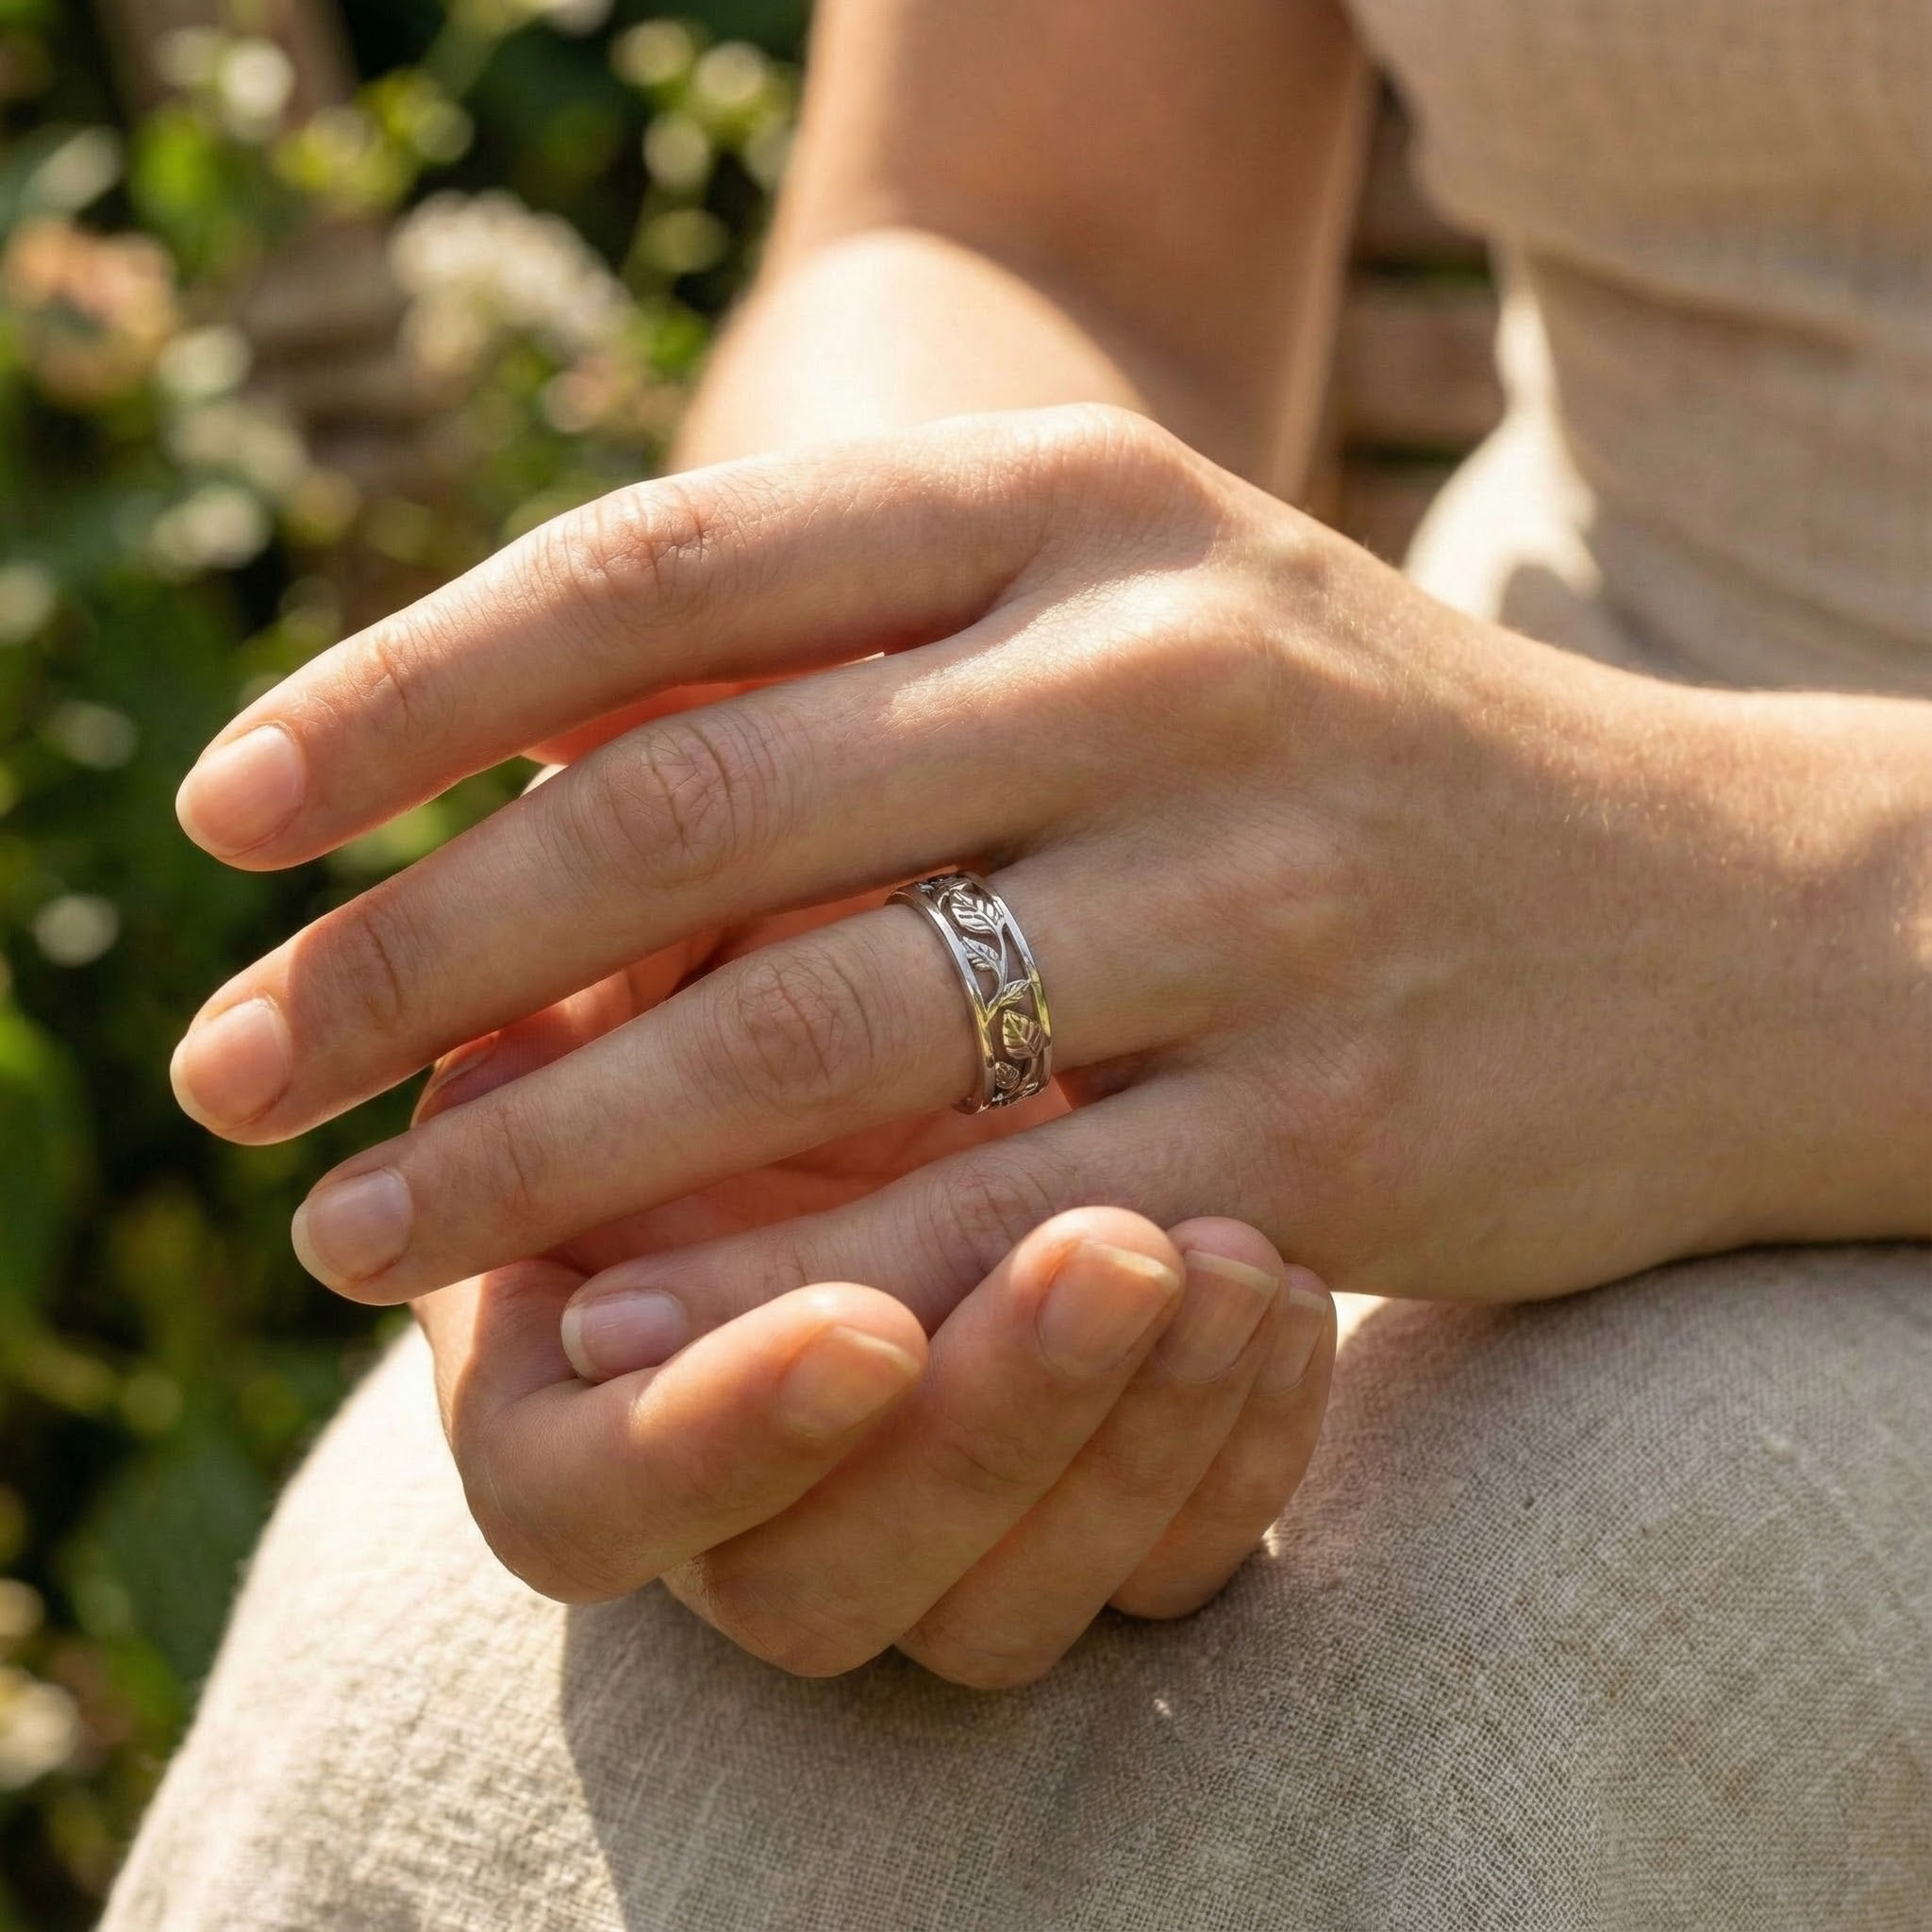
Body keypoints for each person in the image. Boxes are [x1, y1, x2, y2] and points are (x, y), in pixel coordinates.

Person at [110, 0, 1929, 1925]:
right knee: (451, 1641)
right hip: (1424, 853)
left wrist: (1695, 907)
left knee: (1466, 1719)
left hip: (1592, 887)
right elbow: (1009, 227)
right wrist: (869, 781)